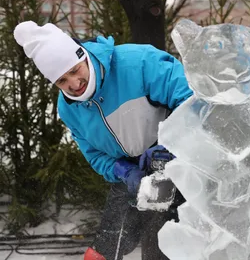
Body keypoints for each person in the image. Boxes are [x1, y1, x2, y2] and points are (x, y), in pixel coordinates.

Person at [13, 21, 192, 260]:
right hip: (133, 169)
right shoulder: (68, 109)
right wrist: (121, 170)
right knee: (108, 244)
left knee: (165, 239)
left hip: (180, 160)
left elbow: (191, 103)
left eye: (75, 70)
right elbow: (95, 154)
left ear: (83, 55)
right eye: (62, 81)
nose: (74, 85)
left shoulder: (138, 63)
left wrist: (171, 145)